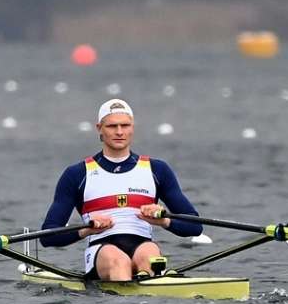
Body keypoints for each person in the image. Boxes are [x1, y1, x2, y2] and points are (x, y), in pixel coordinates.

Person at [39, 98, 202, 281]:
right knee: (118, 260)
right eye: (112, 126)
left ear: (133, 127)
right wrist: (87, 229)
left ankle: (145, 297)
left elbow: (195, 226)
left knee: (149, 253)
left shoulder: (157, 170)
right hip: (102, 250)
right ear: (99, 128)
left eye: (125, 125)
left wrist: (163, 220)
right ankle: (129, 299)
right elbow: (48, 236)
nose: (119, 132)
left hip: (143, 245)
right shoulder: (77, 174)